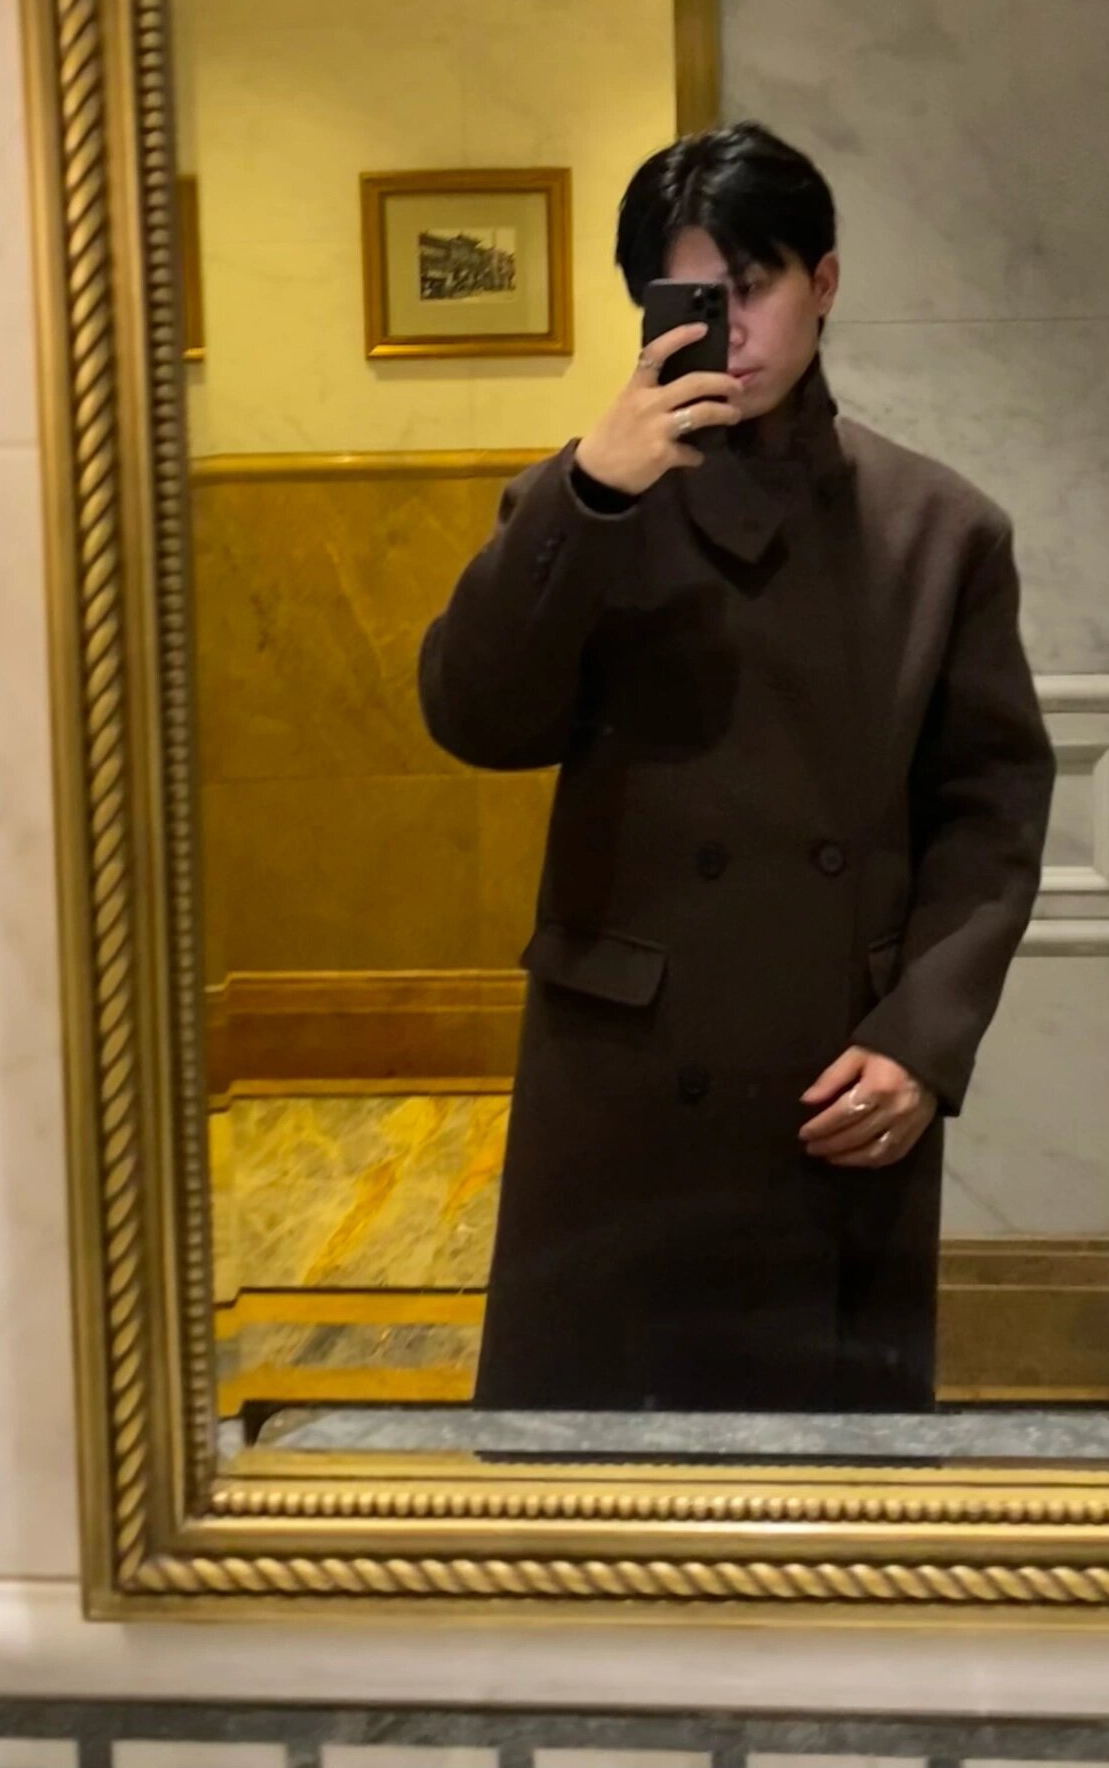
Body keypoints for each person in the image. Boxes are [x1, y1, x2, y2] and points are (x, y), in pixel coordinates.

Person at [418, 123, 1055, 1413]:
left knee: (824, 1490)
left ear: (824, 283)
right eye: (693, 297)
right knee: (588, 1483)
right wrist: (591, 498)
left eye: (754, 286)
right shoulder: (579, 505)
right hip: (620, 1080)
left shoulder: (941, 530)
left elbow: (989, 815)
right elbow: (475, 720)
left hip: (832, 1083)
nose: (735, 331)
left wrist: (923, 1042)